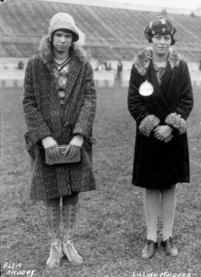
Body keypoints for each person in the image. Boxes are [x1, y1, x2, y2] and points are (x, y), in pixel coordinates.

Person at [22, 13, 97, 269]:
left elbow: (90, 100)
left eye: (68, 35)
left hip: (75, 143)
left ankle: (68, 241)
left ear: (73, 39)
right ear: (51, 36)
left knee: (73, 193)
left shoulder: (83, 65)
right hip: (46, 144)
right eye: (59, 35)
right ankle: (54, 244)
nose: (63, 40)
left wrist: (79, 134)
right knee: (51, 194)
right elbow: (29, 103)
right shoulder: (35, 64)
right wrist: (43, 137)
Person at [127, 17, 194, 259]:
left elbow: (187, 100)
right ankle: (150, 238)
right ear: (150, 39)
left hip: (173, 137)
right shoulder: (139, 67)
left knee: (169, 185)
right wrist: (154, 125)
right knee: (151, 186)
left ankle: (167, 236)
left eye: (166, 38)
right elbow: (134, 101)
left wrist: (170, 127)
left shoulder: (181, 67)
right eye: (158, 37)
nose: (162, 42)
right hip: (149, 137)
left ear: (171, 40)